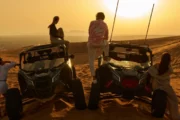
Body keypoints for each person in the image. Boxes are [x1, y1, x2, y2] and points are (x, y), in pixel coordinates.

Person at [147, 52, 180, 120]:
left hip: (155, 86)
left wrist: (148, 83)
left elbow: (149, 73)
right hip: (166, 87)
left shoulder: (156, 66)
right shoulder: (169, 69)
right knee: (174, 100)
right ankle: (174, 116)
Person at [87, 12, 109, 84]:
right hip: (100, 43)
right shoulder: (105, 24)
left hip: (91, 44)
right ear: (103, 18)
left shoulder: (92, 22)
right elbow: (106, 37)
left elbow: (89, 33)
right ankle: (106, 57)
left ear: (96, 17)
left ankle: (94, 77)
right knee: (107, 44)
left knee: (91, 60)